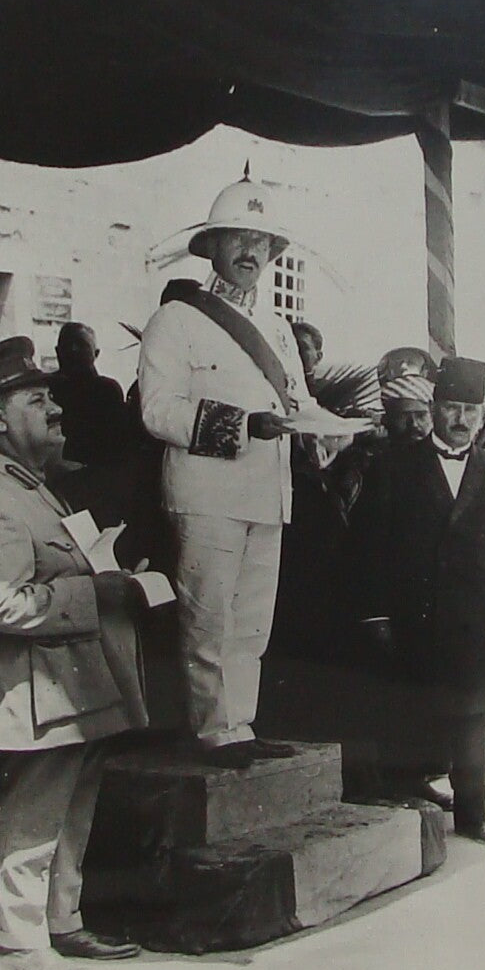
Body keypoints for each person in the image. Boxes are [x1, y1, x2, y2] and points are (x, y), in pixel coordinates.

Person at [0, 337, 146, 970]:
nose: (53, 406)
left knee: (67, 807)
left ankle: (60, 920)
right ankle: (21, 942)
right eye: (37, 399)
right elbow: (1, 603)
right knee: (32, 814)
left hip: (64, 685)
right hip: (31, 688)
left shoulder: (29, 487)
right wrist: (98, 590)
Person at [136, 171, 342, 768]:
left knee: (252, 622)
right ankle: (211, 730)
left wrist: (335, 431)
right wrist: (239, 425)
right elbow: (157, 410)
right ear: (213, 246)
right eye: (238, 239)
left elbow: (297, 403)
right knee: (208, 619)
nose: (252, 253)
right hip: (206, 493)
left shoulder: (278, 327)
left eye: (263, 243)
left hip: (267, 494)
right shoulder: (175, 321)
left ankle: (241, 725)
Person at [346, 356, 485, 844]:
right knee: (408, 713)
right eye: (451, 407)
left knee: (471, 720)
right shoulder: (393, 465)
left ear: (483, 416)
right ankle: (401, 814)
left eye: (471, 409)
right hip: (410, 617)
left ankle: (473, 816)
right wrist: (376, 613)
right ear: (435, 409)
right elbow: (370, 546)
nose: (461, 419)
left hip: (473, 621)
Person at [49, 322, 129, 468]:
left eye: (82, 345)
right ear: (57, 351)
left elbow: (116, 445)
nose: (73, 350)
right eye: (67, 345)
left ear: (96, 353)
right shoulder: (46, 388)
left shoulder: (107, 390)